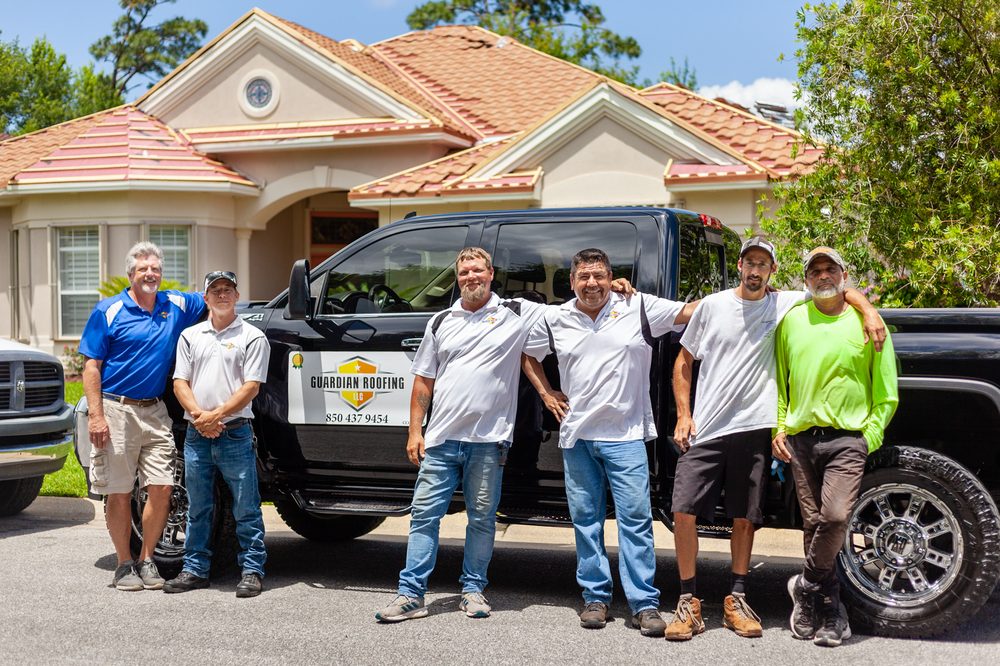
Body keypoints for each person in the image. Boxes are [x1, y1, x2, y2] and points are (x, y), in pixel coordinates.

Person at [666, 238, 885, 640]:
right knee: (683, 510)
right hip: (708, 427)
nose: (755, 270)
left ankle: (736, 599)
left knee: (745, 516)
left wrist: (869, 310)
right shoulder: (713, 306)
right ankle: (688, 602)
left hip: (754, 427)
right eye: (749, 262)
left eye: (763, 264)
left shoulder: (783, 303)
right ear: (739, 266)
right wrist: (684, 415)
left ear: (772, 270)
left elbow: (837, 286)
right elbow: (683, 360)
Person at [522, 248, 695, 638]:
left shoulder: (638, 305)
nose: (592, 283)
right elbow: (528, 356)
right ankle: (595, 597)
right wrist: (548, 393)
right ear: (571, 281)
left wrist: (753, 292)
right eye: (583, 276)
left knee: (635, 522)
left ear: (611, 276)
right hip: (578, 437)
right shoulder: (555, 317)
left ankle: (645, 604)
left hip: (626, 436)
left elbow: (691, 311)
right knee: (586, 522)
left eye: (599, 275)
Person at [374, 247, 548, 622]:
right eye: (465, 271)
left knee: (482, 519)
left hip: (489, 442)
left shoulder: (515, 313)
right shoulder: (440, 320)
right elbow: (423, 380)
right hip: (440, 441)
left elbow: (574, 308)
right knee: (423, 516)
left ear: (491, 274)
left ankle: (472, 590)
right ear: (457, 277)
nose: (472, 277)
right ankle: (411, 595)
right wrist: (415, 431)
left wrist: (616, 290)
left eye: (478, 270)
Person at [772, 246, 898, 648]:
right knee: (813, 526)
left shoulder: (867, 324)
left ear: (844, 275)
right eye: (815, 270)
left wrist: (869, 436)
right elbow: (781, 383)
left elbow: (887, 390)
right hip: (801, 440)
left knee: (835, 516)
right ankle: (829, 612)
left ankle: (805, 585)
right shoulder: (791, 322)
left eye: (830, 268)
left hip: (848, 439)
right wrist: (779, 428)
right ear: (806, 279)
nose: (823, 275)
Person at [79, 242, 206, 591]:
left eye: (155, 269)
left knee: (162, 487)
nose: (150, 274)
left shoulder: (176, 304)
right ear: (130, 274)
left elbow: (213, 297)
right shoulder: (108, 310)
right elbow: (91, 367)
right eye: (142, 269)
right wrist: (96, 416)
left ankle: (147, 559)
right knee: (119, 492)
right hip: (116, 409)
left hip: (155, 410)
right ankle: (124, 563)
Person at [164, 270, 271, 597]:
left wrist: (216, 416)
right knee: (198, 507)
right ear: (206, 297)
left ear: (236, 296)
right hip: (197, 434)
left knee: (246, 507)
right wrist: (200, 417)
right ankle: (195, 569)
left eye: (228, 289)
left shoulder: (252, 336)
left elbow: (251, 387)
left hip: (235, 433)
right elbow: (179, 382)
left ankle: (252, 570)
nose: (222, 294)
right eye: (215, 290)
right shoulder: (191, 336)